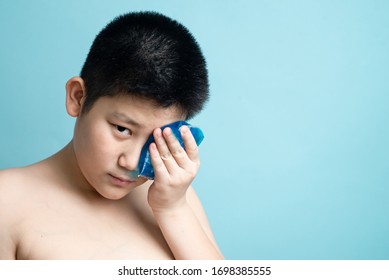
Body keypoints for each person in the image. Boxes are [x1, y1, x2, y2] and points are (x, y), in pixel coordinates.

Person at [0, 11, 223, 260]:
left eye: (155, 140)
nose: (131, 163)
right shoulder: (6, 203)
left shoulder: (172, 194)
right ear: (77, 97)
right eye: (122, 129)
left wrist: (173, 209)